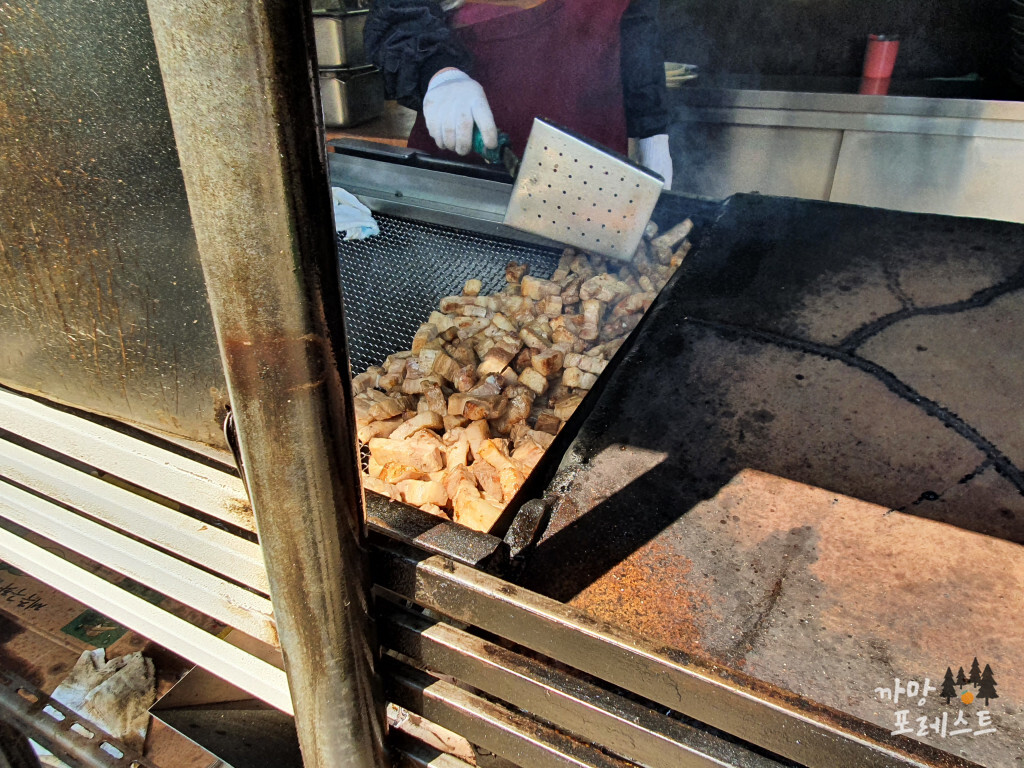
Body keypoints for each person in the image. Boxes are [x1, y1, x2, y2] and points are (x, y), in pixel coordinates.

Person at [365, 0, 673, 189]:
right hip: (470, 164)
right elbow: (397, 9)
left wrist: (651, 131)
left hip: (595, 172)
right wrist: (437, 72)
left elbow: (636, 23)